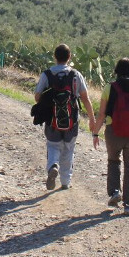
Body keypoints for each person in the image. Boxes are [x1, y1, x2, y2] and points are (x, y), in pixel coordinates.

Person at [92, 57, 129, 216]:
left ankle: (115, 192)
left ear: (117, 71)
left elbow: (102, 114)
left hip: (113, 132)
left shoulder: (109, 88)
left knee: (113, 160)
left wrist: (95, 132)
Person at [34, 44, 95, 190]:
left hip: (52, 119)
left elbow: (37, 97)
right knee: (68, 149)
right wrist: (92, 118)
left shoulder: (46, 75)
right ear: (70, 57)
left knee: (53, 146)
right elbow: (85, 99)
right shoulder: (76, 75)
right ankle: (65, 182)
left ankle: (53, 166)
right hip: (72, 120)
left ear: (54, 57)